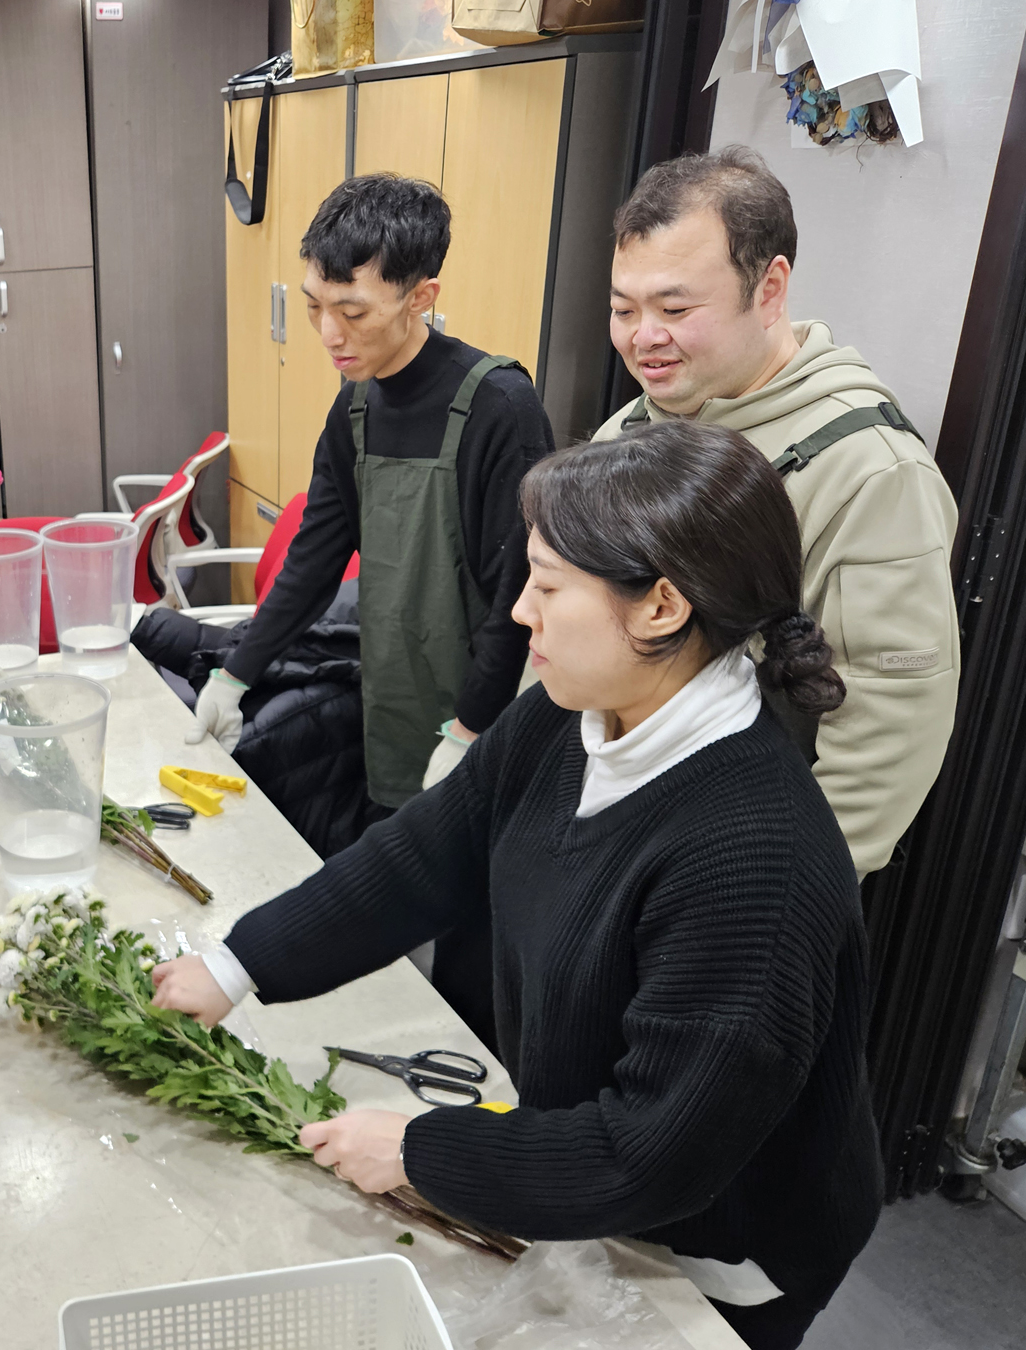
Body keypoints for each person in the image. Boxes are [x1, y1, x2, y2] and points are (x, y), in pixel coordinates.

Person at [151, 422, 883, 1350]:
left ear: (661, 607)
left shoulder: (751, 860)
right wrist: (237, 964)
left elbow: (647, 1155)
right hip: (593, 1182)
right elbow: (424, 853)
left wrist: (416, 1149)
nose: (519, 613)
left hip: (721, 1249)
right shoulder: (570, 716)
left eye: (548, 586)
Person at [600, 146, 957, 878]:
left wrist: (783, 893)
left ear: (769, 289)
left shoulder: (868, 471)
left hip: (738, 869)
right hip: (611, 833)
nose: (644, 337)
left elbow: (890, 719)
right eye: (623, 309)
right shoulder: (626, 433)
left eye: (675, 309)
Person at [186, 173, 555, 807]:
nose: (329, 334)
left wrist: (470, 731)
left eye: (353, 312)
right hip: (393, 699)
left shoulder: (500, 408)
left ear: (421, 297)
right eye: (314, 306)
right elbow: (313, 560)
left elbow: (518, 597)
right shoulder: (354, 410)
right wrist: (234, 675)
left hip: (485, 714)